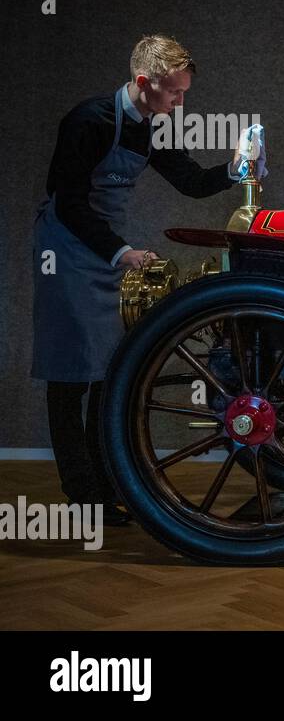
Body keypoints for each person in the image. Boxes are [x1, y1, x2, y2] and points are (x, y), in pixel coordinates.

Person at [32, 35, 244, 525]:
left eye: (184, 94)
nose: (180, 103)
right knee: (69, 378)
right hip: (65, 247)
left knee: (109, 371)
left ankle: (105, 488)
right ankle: (82, 497)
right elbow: (69, 203)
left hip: (105, 249)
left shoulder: (154, 125)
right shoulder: (89, 121)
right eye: (173, 93)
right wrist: (122, 251)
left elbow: (191, 183)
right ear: (144, 83)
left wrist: (236, 168)